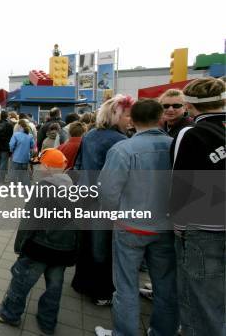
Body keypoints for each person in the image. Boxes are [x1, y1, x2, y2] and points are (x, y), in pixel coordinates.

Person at [95, 99, 177, 336]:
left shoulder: (123, 149)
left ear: (132, 120)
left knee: (126, 285)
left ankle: (124, 333)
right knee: (165, 286)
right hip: (166, 226)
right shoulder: (176, 145)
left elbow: (108, 191)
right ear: (161, 117)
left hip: (130, 226)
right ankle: (163, 331)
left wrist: (113, 215)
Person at [0, 149, 79, 334]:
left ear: (46, 168)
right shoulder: (75, 188)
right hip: (64, 249)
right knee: (54, 286)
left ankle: (9, 313)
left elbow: (29, 221)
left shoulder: (42, 188)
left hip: (40, 247)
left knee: (21, 280)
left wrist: (20, 245)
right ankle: (47, 322)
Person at [169, 77, 225, 335]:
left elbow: (179, 181)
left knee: (201, 301)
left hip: (203, 229)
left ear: (189, 106)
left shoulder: (191, 133)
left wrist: (178, 225)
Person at [71, 94, 135, 306]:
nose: (131, 119)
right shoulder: (121, 142)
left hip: (86, 196)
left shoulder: (90, 135)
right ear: (116, 116)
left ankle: (81, 283)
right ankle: (101, 292)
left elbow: (78, 164)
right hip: (105, 202)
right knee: (103, 247)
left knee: (87, 241)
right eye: (127, 115)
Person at [0, 110, 14, 182]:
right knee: (3, 163)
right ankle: (1, 179)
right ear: (7, 116)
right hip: (5, 146)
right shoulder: (9, 125)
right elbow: (11, 137)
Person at [9, 119, 34, 185]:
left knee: (14, 174)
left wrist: (12, 151)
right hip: (25, 158)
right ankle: (26, 190)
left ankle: (13, 189)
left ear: (20, 126)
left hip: (16, 158)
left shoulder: (16, 135)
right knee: (24, 175)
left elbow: (11, 145)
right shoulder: (30, 136)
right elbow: (32, 146)